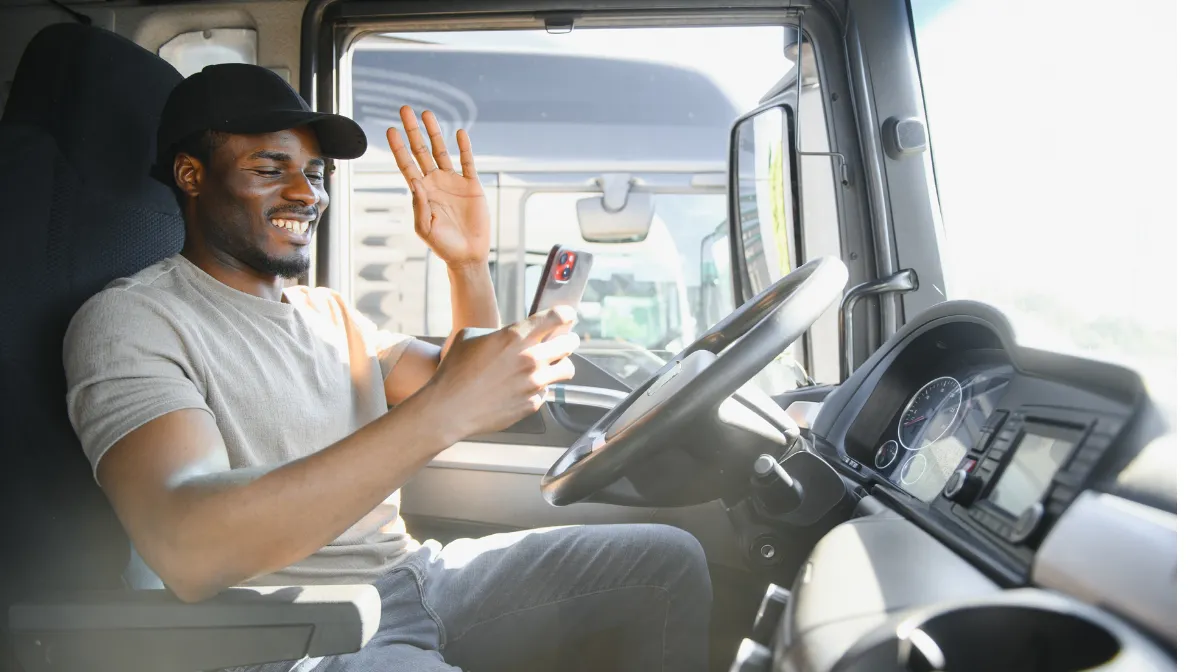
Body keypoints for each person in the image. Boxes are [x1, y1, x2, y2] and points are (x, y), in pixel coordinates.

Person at [63, 63, 712, 671]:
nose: (305, 192)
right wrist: (444, 410)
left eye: (316, 174)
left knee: (668, 564)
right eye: (270, 168)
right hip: (296, 624)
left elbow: (468, 386)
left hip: (414, 577)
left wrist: (466, 262)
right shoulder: (134, 319)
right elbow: (190, 547)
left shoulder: (328, 312)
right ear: (192, 175)